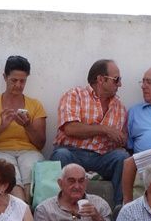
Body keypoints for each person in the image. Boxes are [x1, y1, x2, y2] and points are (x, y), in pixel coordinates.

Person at [50, 58, 129, 205]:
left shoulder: (120, 107)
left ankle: (120, 209)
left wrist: (120, 138)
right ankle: (59, 207)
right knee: (61, 155)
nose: (120, 84)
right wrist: (105, 129)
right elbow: (70, 128)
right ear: (101, 79)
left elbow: (122, 140)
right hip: (72, 153)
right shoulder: (75, 95)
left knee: (123, 158)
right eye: (116, 79)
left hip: (102, 157)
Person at [0, 55, 46, 202]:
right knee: (9, 171)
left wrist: (27, 126)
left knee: (31, 169)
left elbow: (40, 143)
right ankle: (24, 210)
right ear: (5, 77)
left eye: (22, 81)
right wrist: (1, 127)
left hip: (29, 151)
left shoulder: (35, 105)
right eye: (14, 80)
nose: (18, 85)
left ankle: (24, 211)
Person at [34, 163, 114, 221]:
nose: (77, 186)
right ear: (60, 183)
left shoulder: (99, 204)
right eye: (71, 181)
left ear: (86, 182)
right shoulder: (44, 210)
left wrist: (99, 220)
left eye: (81, 181)